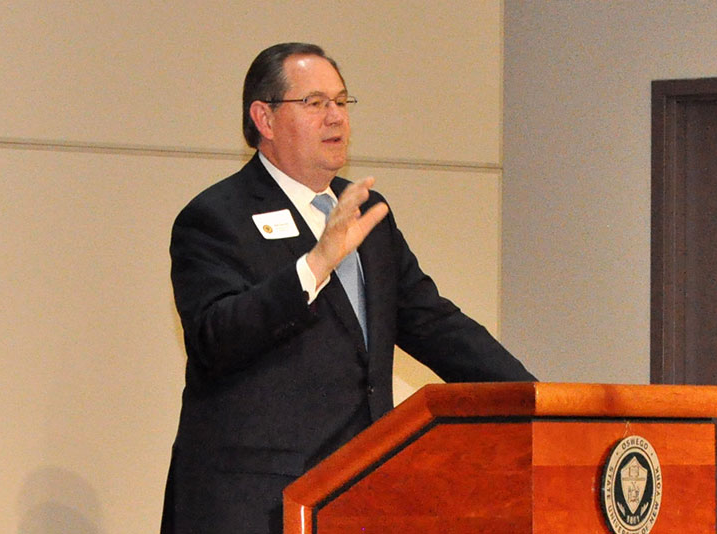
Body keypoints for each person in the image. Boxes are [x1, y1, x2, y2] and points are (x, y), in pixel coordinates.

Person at [161, 42, 535, 534]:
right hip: (254, 505)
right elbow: (215, 338)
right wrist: (316, 264)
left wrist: (538, 401)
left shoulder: (365, 211)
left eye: (341, 102)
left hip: (357, 493)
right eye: (315, 103)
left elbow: (434, 323)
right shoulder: (216, 217)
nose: (336, 118)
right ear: (264, 119)